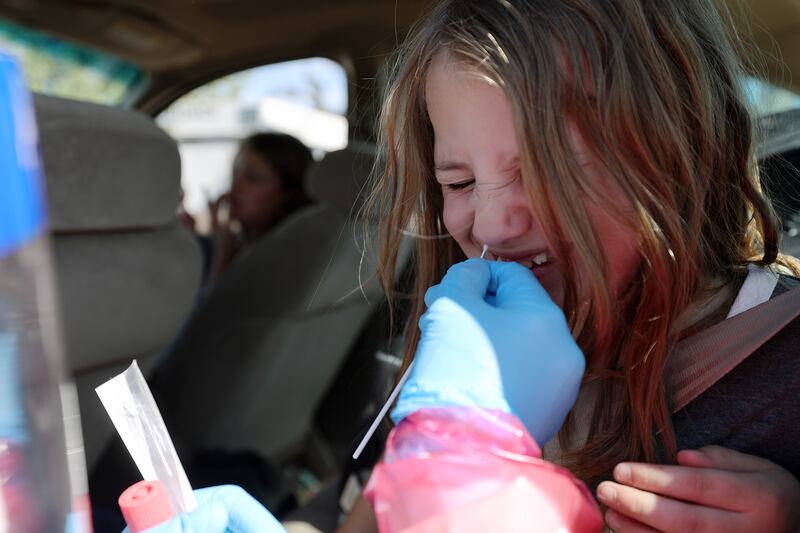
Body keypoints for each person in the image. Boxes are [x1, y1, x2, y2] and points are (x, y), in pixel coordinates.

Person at [129, 0, 800, 531]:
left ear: (675, 151)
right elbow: (354, 507)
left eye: (547, 168)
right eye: (457, 182)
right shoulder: (458, 353)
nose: (493, 222)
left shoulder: (776, 375)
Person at [206, 132, 313, 285]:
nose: (235, 185)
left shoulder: (285, 261)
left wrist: (224, 256)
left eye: (252, 178)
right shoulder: (242, 245)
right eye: (235, 173)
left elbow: (222, 307)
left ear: (287, 194)